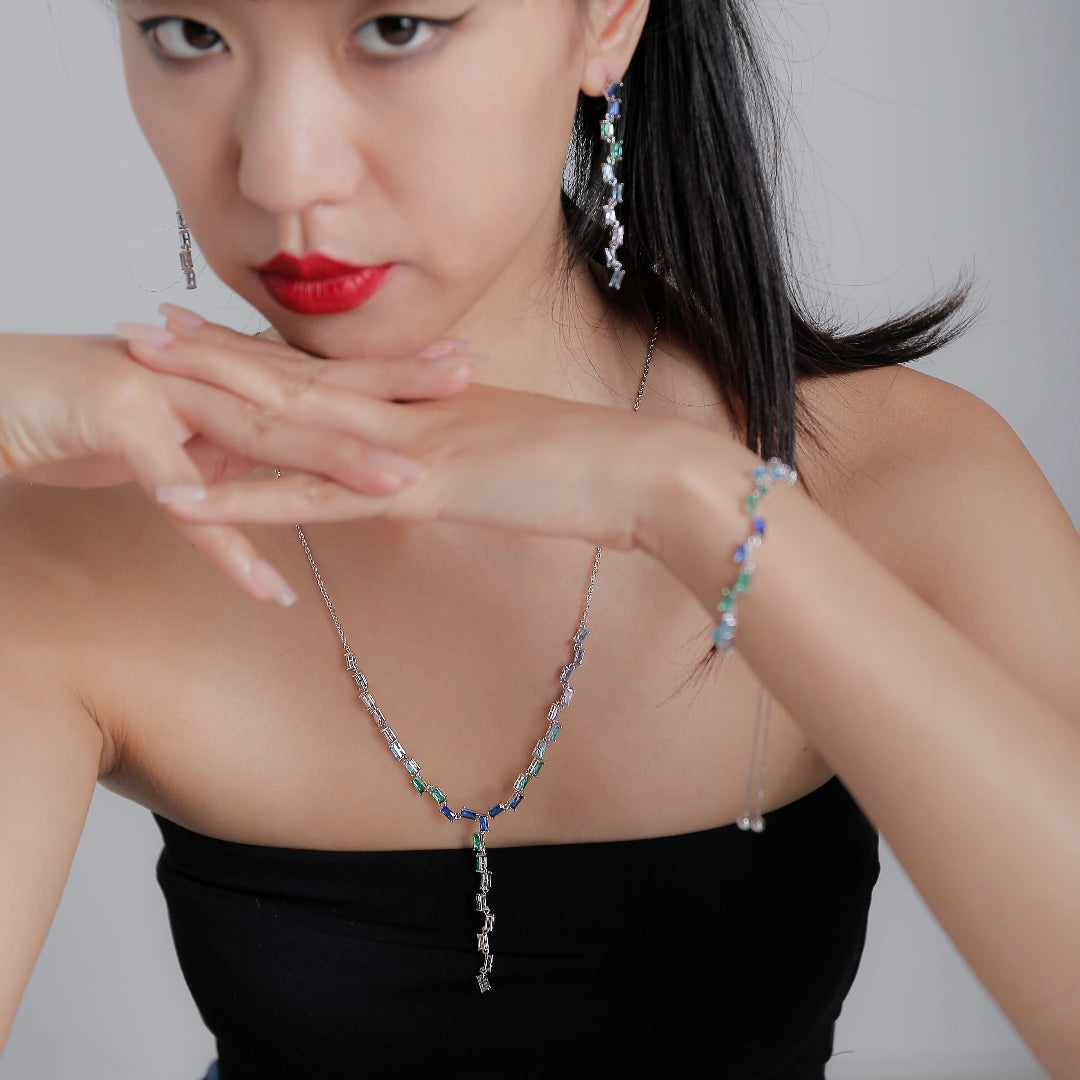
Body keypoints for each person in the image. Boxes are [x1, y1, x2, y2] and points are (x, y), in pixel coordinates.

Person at [0, 1, 1077, 1078]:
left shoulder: (905, 480)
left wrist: (696, 501)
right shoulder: (82, 538)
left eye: (397, 26)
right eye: (190, 33)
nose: (280, 173)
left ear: (605, 19)